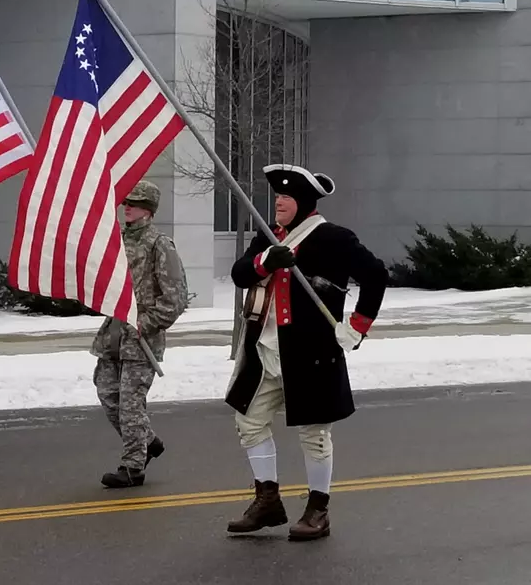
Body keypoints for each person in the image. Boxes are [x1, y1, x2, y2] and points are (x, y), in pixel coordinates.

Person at [224, 164, 388, 541]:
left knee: (313, 434)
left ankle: (318, 509)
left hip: (311, 353)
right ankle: (267, 501)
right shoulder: (268, 236)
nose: (278, 201)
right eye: (277, 196)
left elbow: (375, 274)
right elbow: (239, 275)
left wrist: (357, 326)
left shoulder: (333, 237)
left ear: (304, 202)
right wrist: (265, 260)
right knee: (248, 422)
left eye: (286, 197)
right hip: (265, 351)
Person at [91, 180, 189, 488]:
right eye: (125, 202)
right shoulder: (116, 241)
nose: (126, 206)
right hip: (113, 336)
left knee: (131, 405)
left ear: (147, 208)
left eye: (133, 202)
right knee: (109, 397)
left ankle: (133, 466)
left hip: (141, 340)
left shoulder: (160, 244)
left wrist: (144, 324)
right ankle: (149, 442)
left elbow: (175, 299)